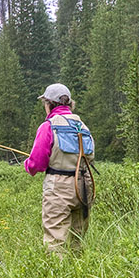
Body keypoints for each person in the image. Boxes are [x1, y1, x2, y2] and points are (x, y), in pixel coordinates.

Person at [23, 83, 96, 253]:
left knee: (55, 240)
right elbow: (90, 157)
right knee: (77, 240)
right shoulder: (82, 126)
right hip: (84, 186)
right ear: (69, 104)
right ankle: (78, 277)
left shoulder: (48, 126)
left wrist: (28, 165)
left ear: (49, 104)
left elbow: (37, 164)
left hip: (59, 186)